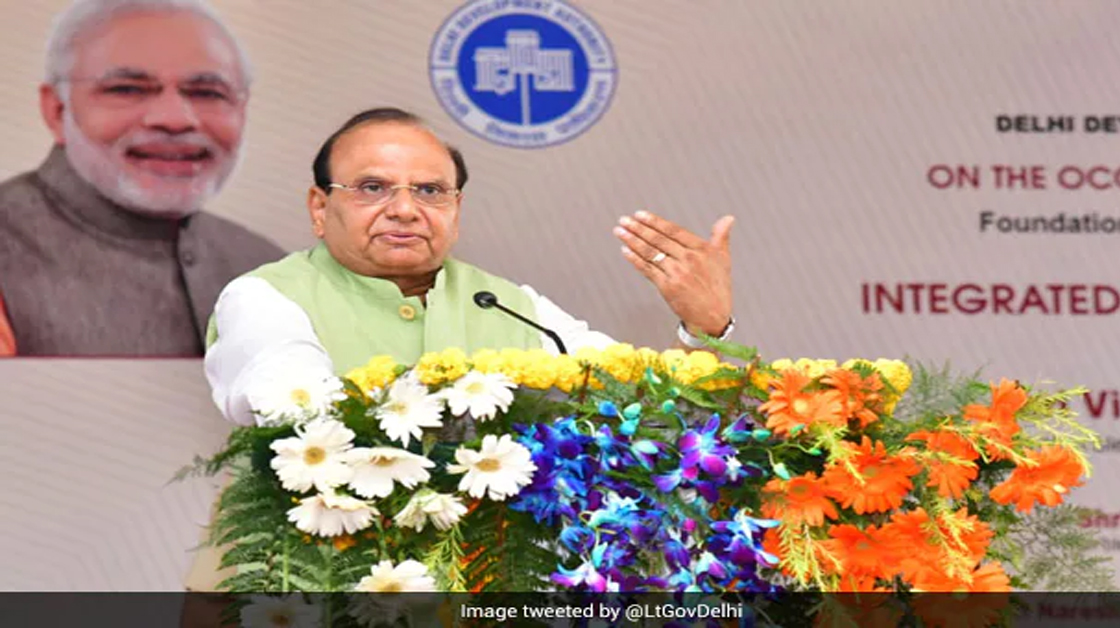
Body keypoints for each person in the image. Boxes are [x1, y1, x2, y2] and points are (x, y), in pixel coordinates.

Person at [205, 107, 736, 427]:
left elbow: (639, 411)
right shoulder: (264, 297)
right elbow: (298, 411)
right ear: (320, 208)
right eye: (372, 187)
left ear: (456, 210)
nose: (405, 209)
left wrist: (703, 330)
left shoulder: (510, 305)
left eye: (430, 191)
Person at [0, 0, 283, 356]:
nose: (175, 119)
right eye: (127, 89)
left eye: (207, 93)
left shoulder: (266, 268)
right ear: (57, 110)